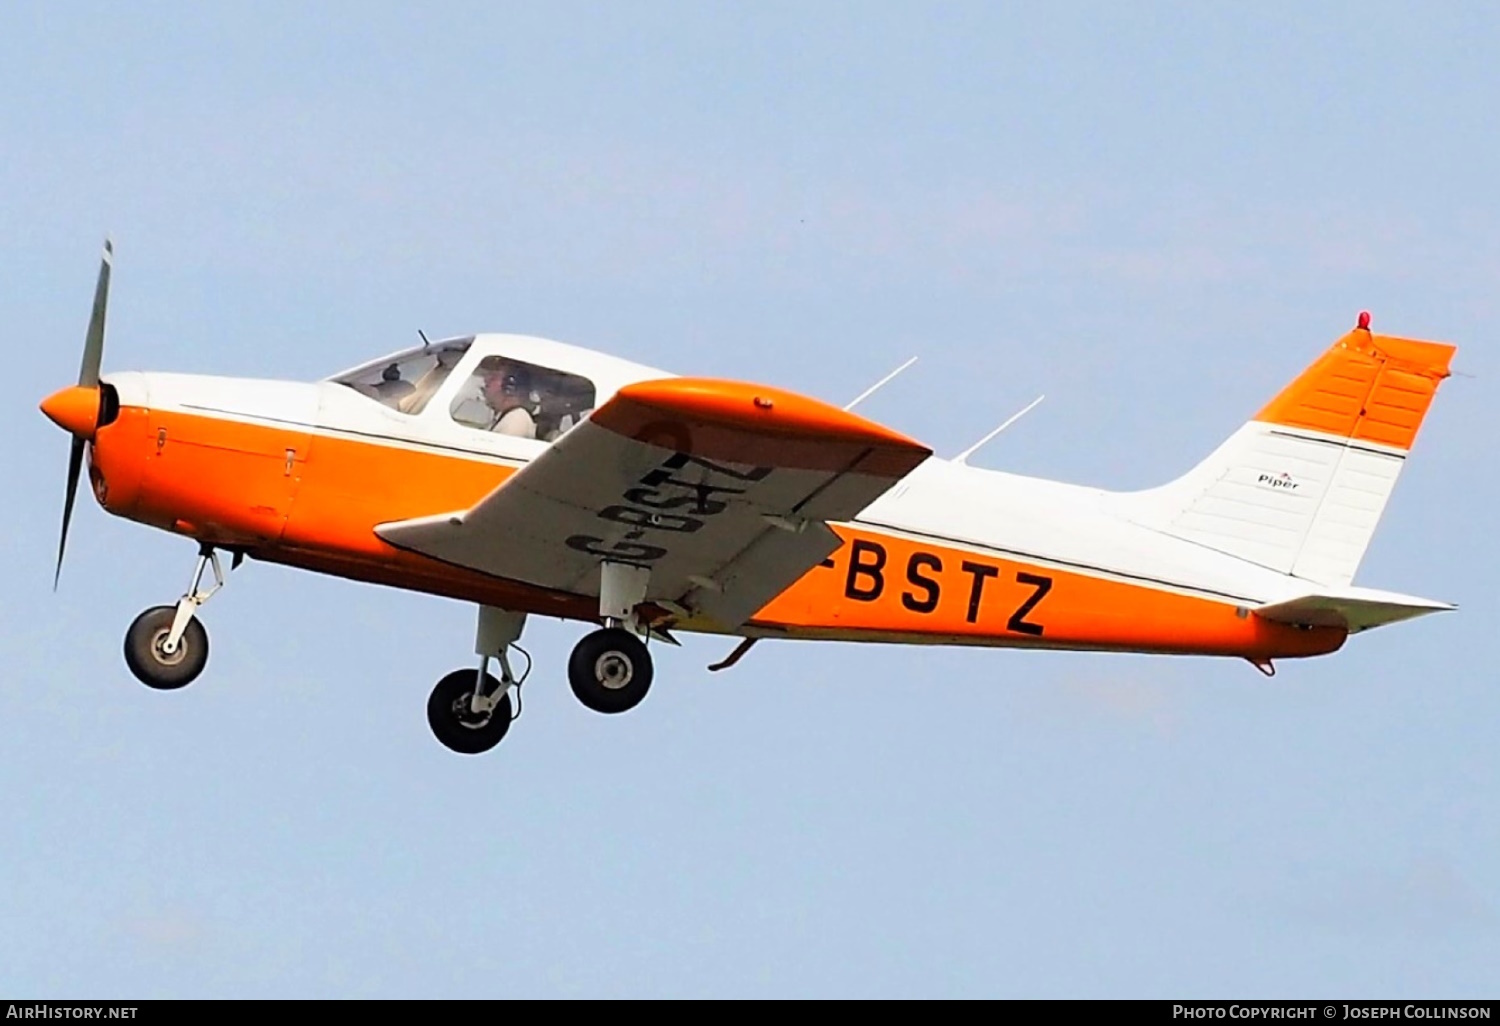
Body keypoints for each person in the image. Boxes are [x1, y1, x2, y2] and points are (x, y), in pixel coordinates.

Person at [480, 363, 537, 438]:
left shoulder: (516, 420)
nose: (486, 381)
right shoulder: (508, 416)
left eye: (494, 377)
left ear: (509, 388)